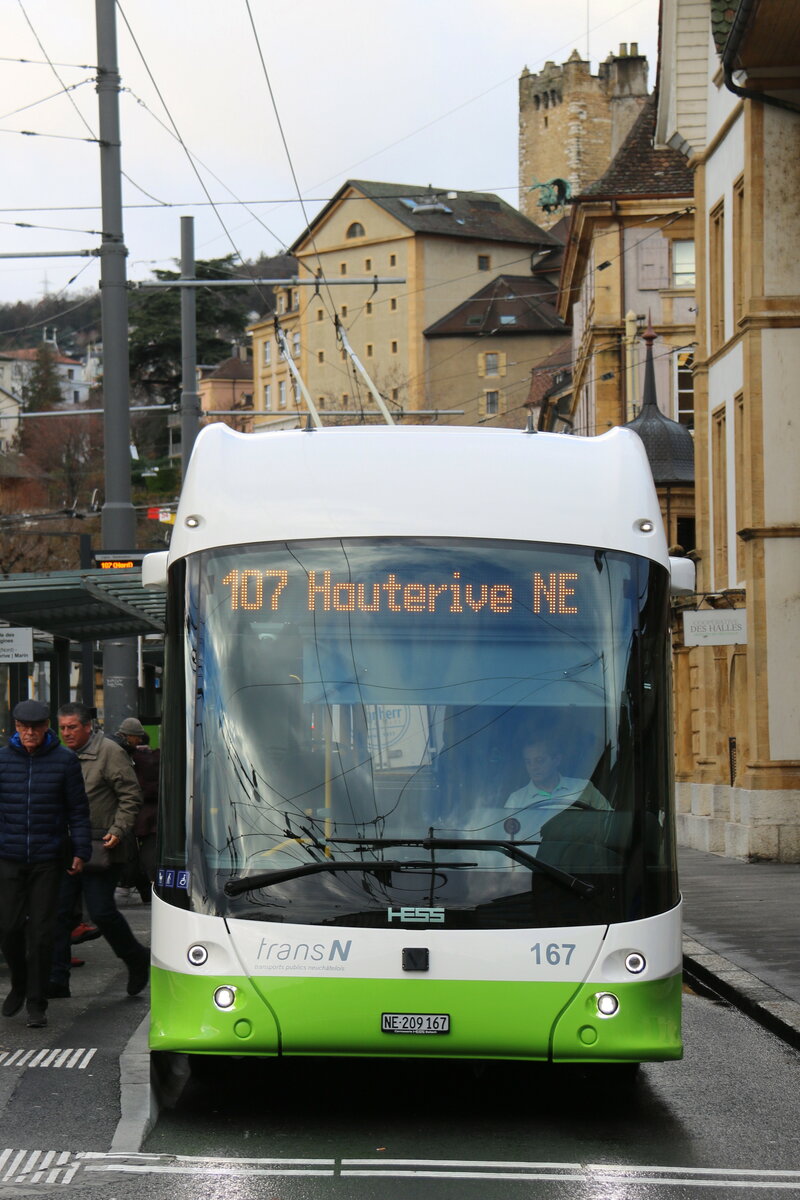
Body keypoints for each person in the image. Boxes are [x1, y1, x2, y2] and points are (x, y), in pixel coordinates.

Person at [48, 702, 149, 999]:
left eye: (72, 727)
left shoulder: (109, 752)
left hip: (102, 848)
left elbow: (131, 796)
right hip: (66, 848)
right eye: (62, 727)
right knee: (59, 913)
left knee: (102, 912)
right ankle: (57, 978)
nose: (66, 733)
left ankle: (135, 957)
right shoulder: (59, 754)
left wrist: (117, 831)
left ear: (87, 726)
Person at [0, 699, 91, 1029]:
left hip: (48, 859)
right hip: (8, 858)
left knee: (41, 934)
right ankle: (20, 984)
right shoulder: (3, 759)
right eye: (23, 728)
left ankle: (37, 1003)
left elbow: (78, 810)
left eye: (35, 728)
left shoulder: (64, 761)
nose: (29, 733)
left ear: (46, 727)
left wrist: (81, 850)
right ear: (16, 727)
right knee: (8, 928)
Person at [505, 733, 610, 841]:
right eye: (528, 762)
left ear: (556, 760)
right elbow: (507, 838)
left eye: (539, 760)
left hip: (579, 855)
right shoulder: (516, 800)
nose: (533, 767)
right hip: (530, 856)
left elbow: (610, 822)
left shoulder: (582, 788)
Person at [114, 717, 159, 904]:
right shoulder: (155, 759)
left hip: (130, 816)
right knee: (145, 856)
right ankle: (147, 891)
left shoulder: (124, 756)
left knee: (130, 855)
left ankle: (129, 885)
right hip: (150, 817)